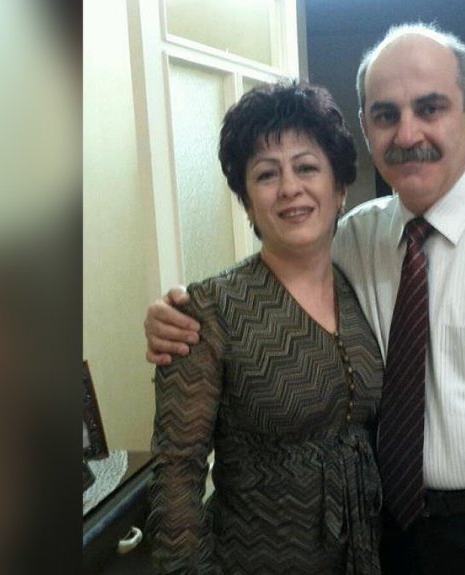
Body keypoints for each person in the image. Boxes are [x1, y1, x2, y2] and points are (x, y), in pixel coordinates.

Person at [146, 23, 465, 575]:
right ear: (366, 128)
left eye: (430, 107)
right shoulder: (355, 239)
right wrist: (178, 313)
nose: (408, 133)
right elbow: (275, 280)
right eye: (386, 114)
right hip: (383, 536)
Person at [146, 82, 384, 574]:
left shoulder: (359, 284)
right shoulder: (209, 311)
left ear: (339, 189)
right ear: (248, 203)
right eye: (266, 174)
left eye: (307, 167)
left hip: (362, 557)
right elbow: (176, 477)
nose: (290, 188)